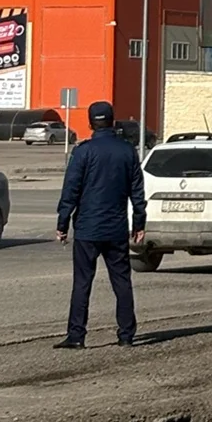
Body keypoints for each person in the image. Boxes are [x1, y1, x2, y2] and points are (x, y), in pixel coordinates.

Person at [53, 101, 147, 349]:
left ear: (90, 122)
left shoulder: (83, 152)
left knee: (82, 282)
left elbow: (70, 190)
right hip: (116, 228)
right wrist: (139, 223)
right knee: (122, 281)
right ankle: (126, 334)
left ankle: (76, 335)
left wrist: (62, 223)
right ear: (113, 121)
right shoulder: (127, 151)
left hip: (87, 229)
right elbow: (137, 191)